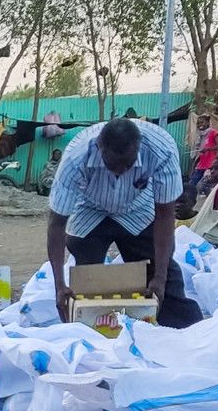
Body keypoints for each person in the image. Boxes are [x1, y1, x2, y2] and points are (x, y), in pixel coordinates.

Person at [46, 116, 199, 328]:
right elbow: (56, 223)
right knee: (88, 279)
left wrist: (160, 277)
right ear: (100, 147)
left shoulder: (161, 150)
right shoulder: (75, 157)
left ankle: (178, 328)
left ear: (139, 147)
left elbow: (165, 216)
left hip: (137, 207)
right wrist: (59, 285)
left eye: (127, 165)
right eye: (112, 164)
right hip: (91, 207)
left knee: (161, 277)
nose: (120, 171)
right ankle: (90, 327)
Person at [187, 113, 218, 195]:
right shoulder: (201, 135)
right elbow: (200, 152)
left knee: (204, 186)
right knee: (191, 184)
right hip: (201, 164)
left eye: (202, 122)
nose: (199, 125)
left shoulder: (213, 132)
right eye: (198, 123)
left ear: (207, 122)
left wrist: (207, 149)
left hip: (210, 165)